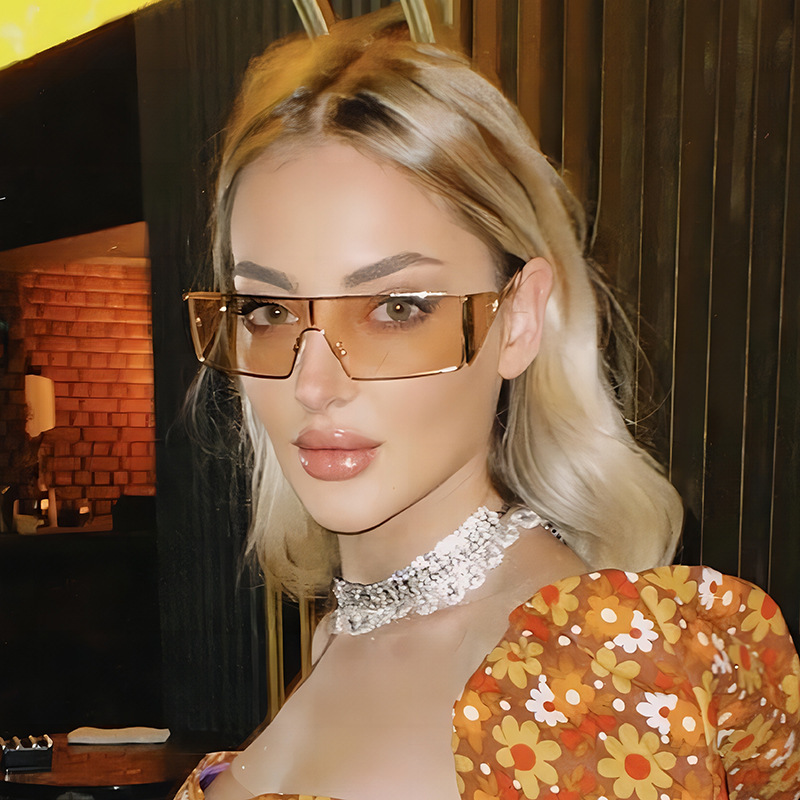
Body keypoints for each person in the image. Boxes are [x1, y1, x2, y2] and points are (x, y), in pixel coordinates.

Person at [178, 7, 800, 799]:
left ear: (521, 319)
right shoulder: (342, 636)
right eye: (268, 310)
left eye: (396, 309)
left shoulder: (589, 671)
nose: (314, 384)